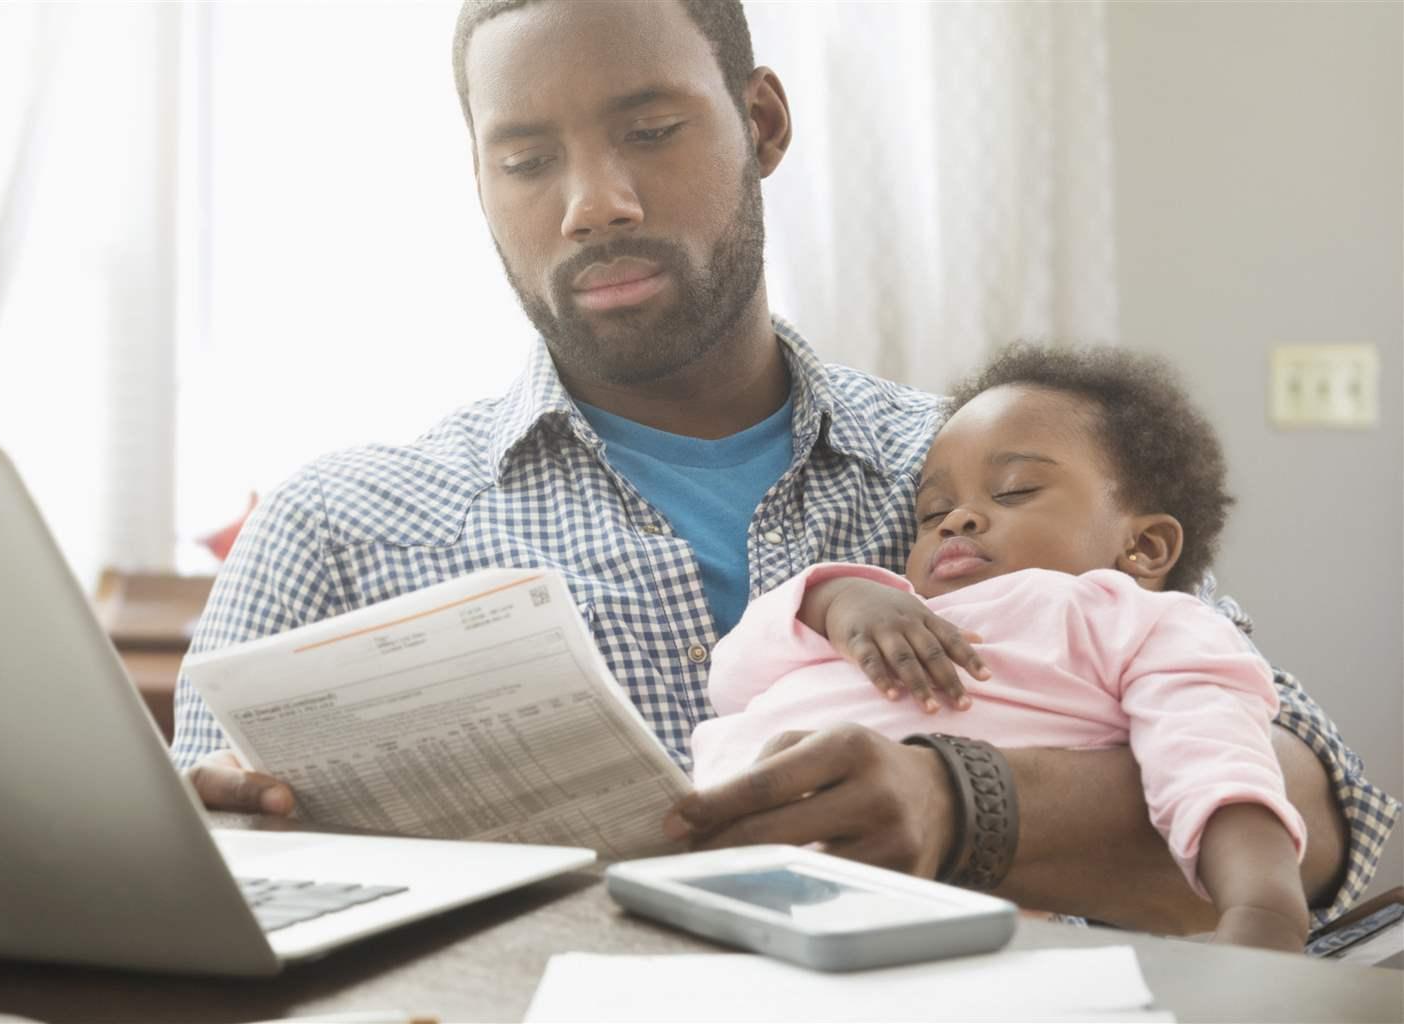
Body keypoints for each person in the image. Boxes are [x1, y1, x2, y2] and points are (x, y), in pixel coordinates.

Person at [173, 0, 1397, 935]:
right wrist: (224, 844)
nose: (592, 203)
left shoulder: (988, 477)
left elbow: (1323, 806)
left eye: (649, 130)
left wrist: (958, 804)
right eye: (526, 159)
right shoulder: (336, 526)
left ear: (760, 124)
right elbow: (177, 869)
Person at [691, 344, 1309, 950]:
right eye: (932, 512)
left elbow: (1213, 759)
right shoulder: (893, 609)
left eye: (1013, 491)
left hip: (898, 917)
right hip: (694, 881)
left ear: (1144, 547)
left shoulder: (1139, 622)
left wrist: (1264, 909)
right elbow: (732, 682)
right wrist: (835, 600)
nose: (958, 520)